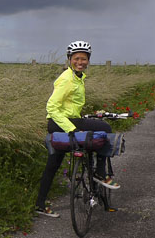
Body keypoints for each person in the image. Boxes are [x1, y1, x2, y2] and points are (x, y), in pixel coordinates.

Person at [35, 40, 119, 218]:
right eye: (76, 58)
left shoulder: (77, 78)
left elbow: (69, 106)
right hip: (61, 122)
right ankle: (99, 172)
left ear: (88, 60)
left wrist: (83, 118)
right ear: (69, 59)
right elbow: (51, 107)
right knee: (106, 127)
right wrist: (72, 128)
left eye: (84, 59)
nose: (80, 62)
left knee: (53, 164)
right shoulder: (67, 79)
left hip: (64, 121)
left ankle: (40, 204)